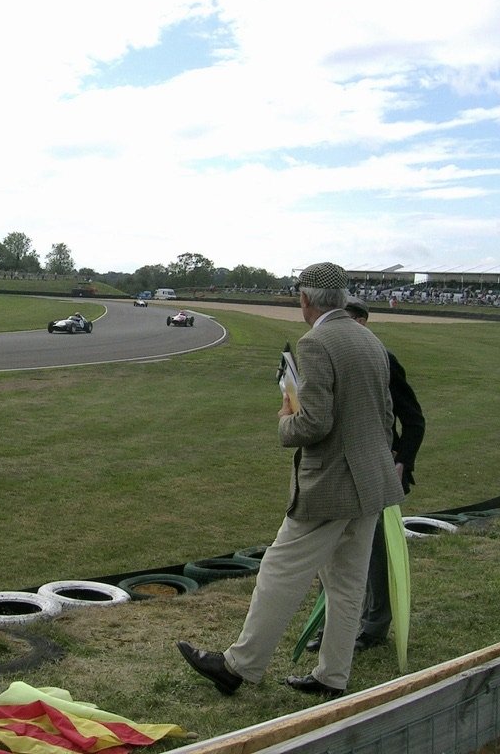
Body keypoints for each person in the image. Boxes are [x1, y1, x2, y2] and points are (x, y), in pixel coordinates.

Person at [176, 262, 405, 699]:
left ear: (304, 300)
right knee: (347, 586)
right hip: (372, 483)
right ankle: (331, 677)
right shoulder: (370, 339)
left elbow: (314, 424)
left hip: (333, 485)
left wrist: (286, 418)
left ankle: (237, 665)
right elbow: (385, 415)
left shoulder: (316, 342)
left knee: (279, 571)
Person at [305, 295, 425, 652]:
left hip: (378, 471)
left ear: (364, 322)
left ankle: (373, 626)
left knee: (373, 555)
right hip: (340, 471)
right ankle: (328, 625)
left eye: (357, 319)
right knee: (330, 553)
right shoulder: (327, 355)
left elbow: (414, 419)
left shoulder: (383, 359)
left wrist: (402, 461)